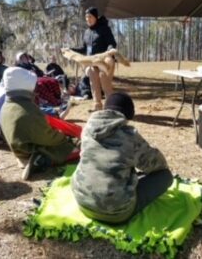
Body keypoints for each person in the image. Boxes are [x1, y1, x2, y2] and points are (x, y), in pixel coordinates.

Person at [71, 92, 173, 224]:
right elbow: (157, 164)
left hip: (83, 202)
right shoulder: (129, 136)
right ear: (129, 114)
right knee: (165, 176)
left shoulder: (87, 129)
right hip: (116, 212)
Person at [0, 67, 75, 180]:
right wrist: (64, 137)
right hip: (30, 149)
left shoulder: (6, 106)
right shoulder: (27, 110)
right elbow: (48, 137)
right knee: (71, 148)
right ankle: (40, 160)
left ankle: (27, 158)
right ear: (25, 86)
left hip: (17, 148)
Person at [70, 7, 117, 111]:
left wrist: (109, 51)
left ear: (95, 17)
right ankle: (97, 106)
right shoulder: (87, 32)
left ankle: (110, 107)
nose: (88, 19)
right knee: (93, 79)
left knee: (104, 79)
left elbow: (112, 43)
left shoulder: (104, 29)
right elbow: (84, 49)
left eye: (90, 17)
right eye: (86, 17)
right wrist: (70, 50)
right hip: (92, 62)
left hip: (105, 61)